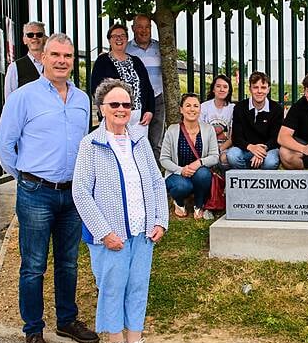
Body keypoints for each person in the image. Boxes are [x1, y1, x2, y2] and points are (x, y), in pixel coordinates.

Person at [0, 33, 99, 343]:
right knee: (34, 266)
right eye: (55, 54)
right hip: (36, 193)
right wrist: (25, 178)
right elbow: (2, 145)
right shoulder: (24, 98)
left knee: (68, 263)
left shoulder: (82, 99)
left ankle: (66, 321)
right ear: (43, 58)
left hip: (71, 195)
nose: (62, 61)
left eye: (68, 56)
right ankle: (33, 330)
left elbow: (85, 145)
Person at [72, 79, 168, 343]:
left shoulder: (140, 141)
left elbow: (155, 181)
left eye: (126, 104)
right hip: (111, 235)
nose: (121, 109)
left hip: (143, 231)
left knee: (138, 286)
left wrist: (160, 220)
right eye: (114, 104)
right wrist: (104, 233)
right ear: (101, 108)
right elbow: (80, 192)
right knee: (113, 287)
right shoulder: (90, 144)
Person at [160, 93, 219, 220]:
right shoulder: (172, 130)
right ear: (181, 109)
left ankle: (199, 205)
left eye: (195, 106)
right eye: (188, 105)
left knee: (203, 174)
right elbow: (164, 159)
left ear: (200, 109)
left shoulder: (209, 129)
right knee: (183, 186)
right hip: (177, 174)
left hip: (199, 172)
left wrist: (199, 162)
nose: (192, 109)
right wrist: (181, 170)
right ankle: (179, 203)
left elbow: (215, 156)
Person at [90, 23, 154, 126]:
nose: (119, 38)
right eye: (115, 36)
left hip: (138, 118)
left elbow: (148, 88)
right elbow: (95, 89)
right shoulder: (102, 61)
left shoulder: (136, 61)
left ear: (127, 39)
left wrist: (150, 110)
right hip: (114, 115)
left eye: (122, 36)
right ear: (109, 40)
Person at [127, 13, 165, 164]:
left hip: (158, 98)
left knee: (156, 141)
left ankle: (155, 176)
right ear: (133, 28)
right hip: (136, 101)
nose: (144, 30)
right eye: (140, 27)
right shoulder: (127, 49)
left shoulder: (160, 47)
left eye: (147, 27)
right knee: (136, 139)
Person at [227, 71, 284, 170]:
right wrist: (251, 147)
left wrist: (261, 151)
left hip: (268, 149)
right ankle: (245, 178)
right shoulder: (239, 107)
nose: (259, 91)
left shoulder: (276, 108)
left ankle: (263, 183)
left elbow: (276, 138)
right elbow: (236, 137)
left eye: (263, 87)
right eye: (255, 87)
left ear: (268, 89)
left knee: (270, 162)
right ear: (250, 89)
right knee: (232, 155)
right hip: (246, 148)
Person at [4, 21, 46, 99]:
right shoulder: (14, 68)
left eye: (39, 34)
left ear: (44, 38)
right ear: (24, 40)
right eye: (30, 35)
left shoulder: (53, 64)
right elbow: (10, 100)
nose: (34, 37)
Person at [200, 74, 235, 167]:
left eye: (225, 87)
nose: (221, 89)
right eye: (218, 86)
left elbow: (233, 137)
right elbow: (199, 132)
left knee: (225, 158)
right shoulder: (204, 107)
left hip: (225, 147)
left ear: (229, 90)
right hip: (206, 148)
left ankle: (224, 181)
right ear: (213, 89)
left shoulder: (233, 108)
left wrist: (219, 150)